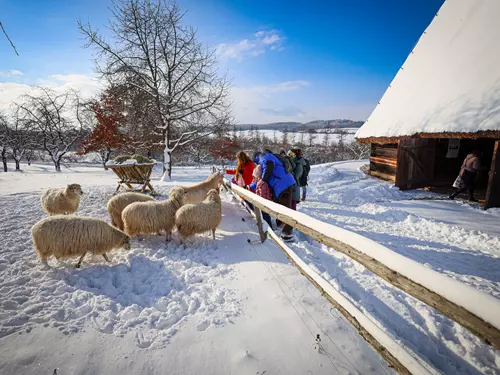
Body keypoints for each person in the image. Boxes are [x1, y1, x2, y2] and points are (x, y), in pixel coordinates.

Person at [251, 147, 296, 242]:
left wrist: (264, 180)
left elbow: (269, 166)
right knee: (281, 207)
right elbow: (261, 178)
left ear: (256, 158)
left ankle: (287, 234)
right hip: (284, 183)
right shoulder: (267, 159)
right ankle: (282, 226)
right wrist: (251, 186)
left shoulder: (264, 157)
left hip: (283, 184)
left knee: (286, 209)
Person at [251, 164, 273, 229]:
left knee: (265, 215)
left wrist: (260, 201)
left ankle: (269, 228)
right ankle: (267, 226)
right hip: (263, 201)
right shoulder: (260, 181)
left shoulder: (262, 183)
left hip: (264, 202)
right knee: (264, 214)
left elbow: (262, 194)